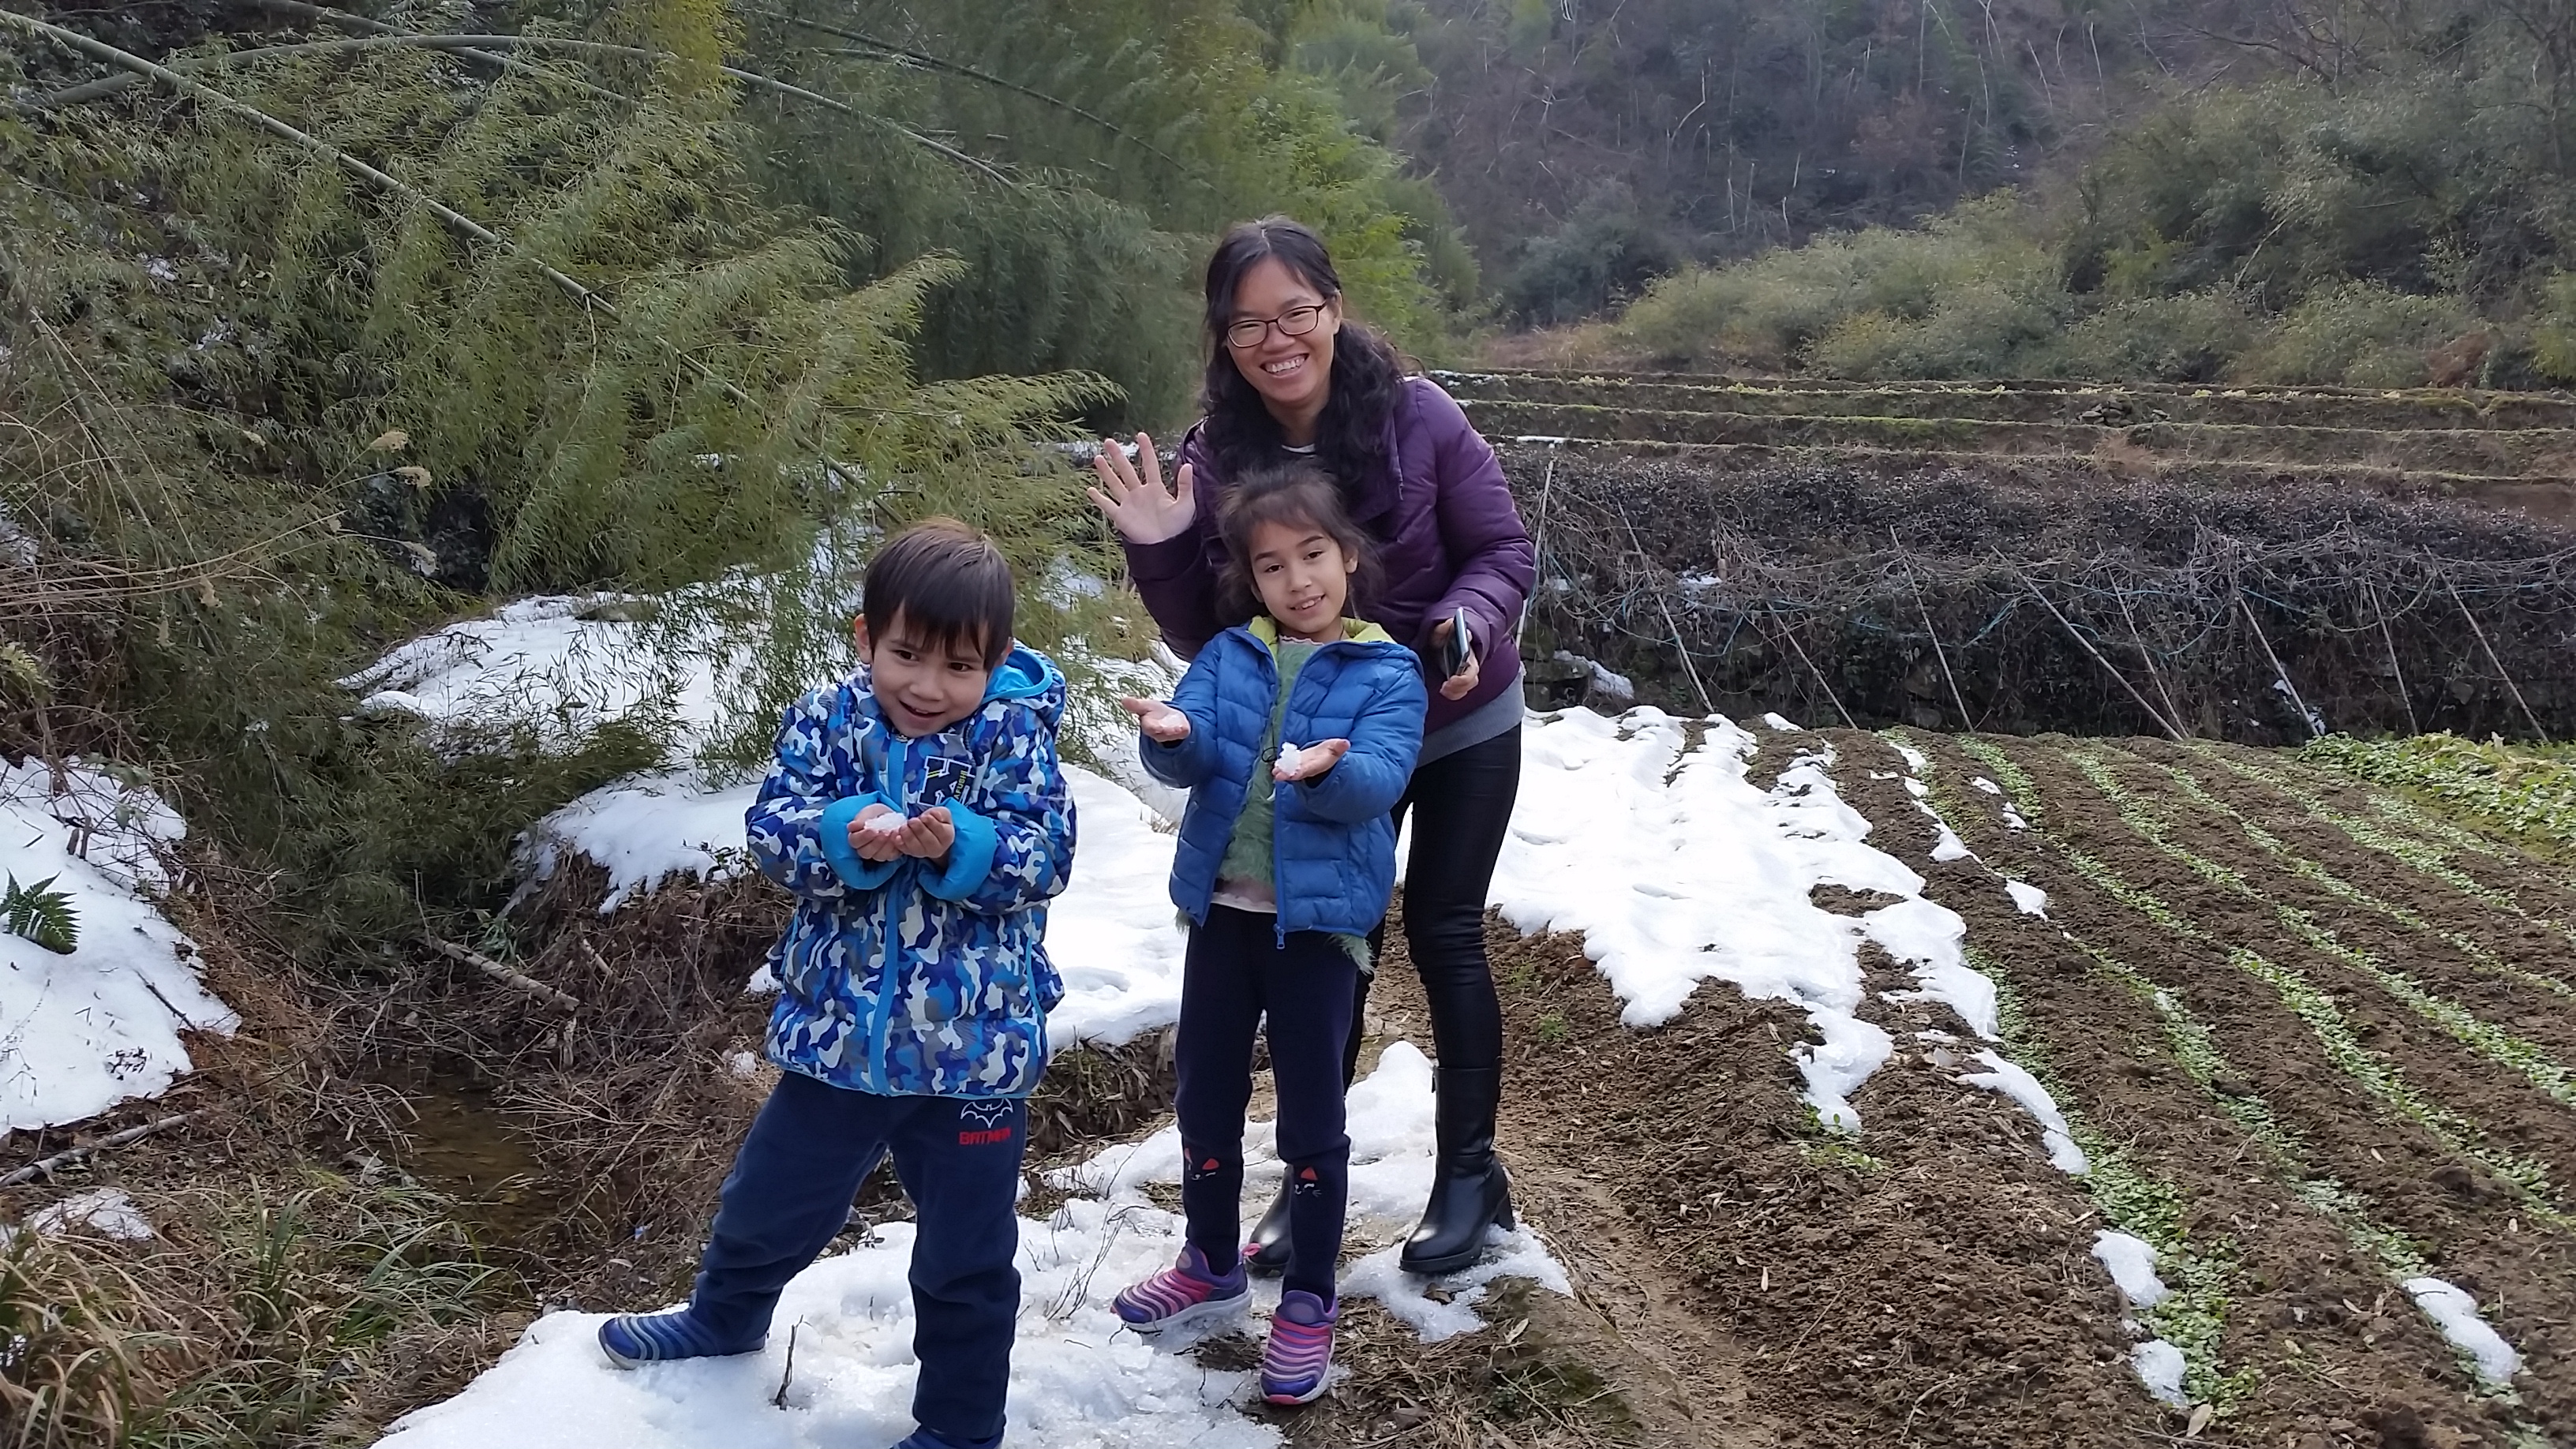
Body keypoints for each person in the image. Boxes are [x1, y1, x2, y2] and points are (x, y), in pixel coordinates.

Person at [1087, 216, 1534, 1279]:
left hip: (1455, 710)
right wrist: (1158, 551)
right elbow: (1219, 640)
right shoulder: (1219, 455)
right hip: (1321, 748)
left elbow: (1504, 548)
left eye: (1297, 310)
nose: (1277, 338)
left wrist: (1464, 621)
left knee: (1445, 930)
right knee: (1330, 945)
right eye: (1249, 321)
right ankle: (1307, 1181)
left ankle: (1470, 1174)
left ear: (1333, 308)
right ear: (1223, 337)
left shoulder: (1419, 418)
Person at [594, 519, 1076, 1449]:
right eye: (906, 656)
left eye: (960, 667)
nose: (928, 687)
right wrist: (840, 833)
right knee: (770, 1198)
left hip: (975, 1054)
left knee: (967, 1258)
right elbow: (774, 830)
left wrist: (962, 846)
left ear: (998, 660)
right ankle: (725, 1316)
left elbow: (1045, 856)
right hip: (839, 1036)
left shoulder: (1016, 737)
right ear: (866, 638)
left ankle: (961, 1427)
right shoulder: (827, 719)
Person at [1106, 464, 1426, 1404]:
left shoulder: (1387, 670)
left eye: (1313, 555)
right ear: (1253, 579)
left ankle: (1310, 1303)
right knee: (1203, 1094)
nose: (1299, 580)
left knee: (1312, 1119)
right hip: (1223, 919)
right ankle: (1209, 1262)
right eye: (1274, 565)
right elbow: (1193, 747)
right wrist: (1169, 734)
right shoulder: (1227, 657)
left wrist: (1330, 769)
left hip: (1317, 935)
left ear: (1349, 558)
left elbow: (1379, 779)